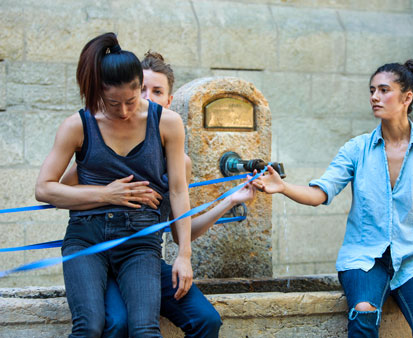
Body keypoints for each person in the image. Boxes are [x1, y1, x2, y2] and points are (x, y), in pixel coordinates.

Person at [253, 60, 413, 337]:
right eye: (372, 90)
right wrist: (282, 187)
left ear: (407, 97)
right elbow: (320, 194)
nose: (375, 97)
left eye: (384, 90)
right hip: (364, 259)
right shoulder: (356, 149)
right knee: (363, 312)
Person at [60, 51, 255, 337]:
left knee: (205, 320)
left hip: (143, 253)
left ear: (168, 100)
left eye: (157, 91)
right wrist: (109, 193)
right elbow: (61, 187)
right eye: (142, 90)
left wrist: (229, 202)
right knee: (116, 322)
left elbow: (180, 227)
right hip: (98, 248)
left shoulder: (176, 154)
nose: (147, 98)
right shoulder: (105, 135)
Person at [35, 33, 194, 337]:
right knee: (90, 327)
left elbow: (177, 190)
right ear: (98, 92)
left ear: (140, 89)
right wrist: (108, 193)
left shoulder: (168, 123)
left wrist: (183, 255)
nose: (123, 111)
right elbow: (44, 189)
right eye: (112, 103)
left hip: (140, 239)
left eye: (131, 102)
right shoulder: (77, 125)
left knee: (145, 329)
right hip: (86, 237)